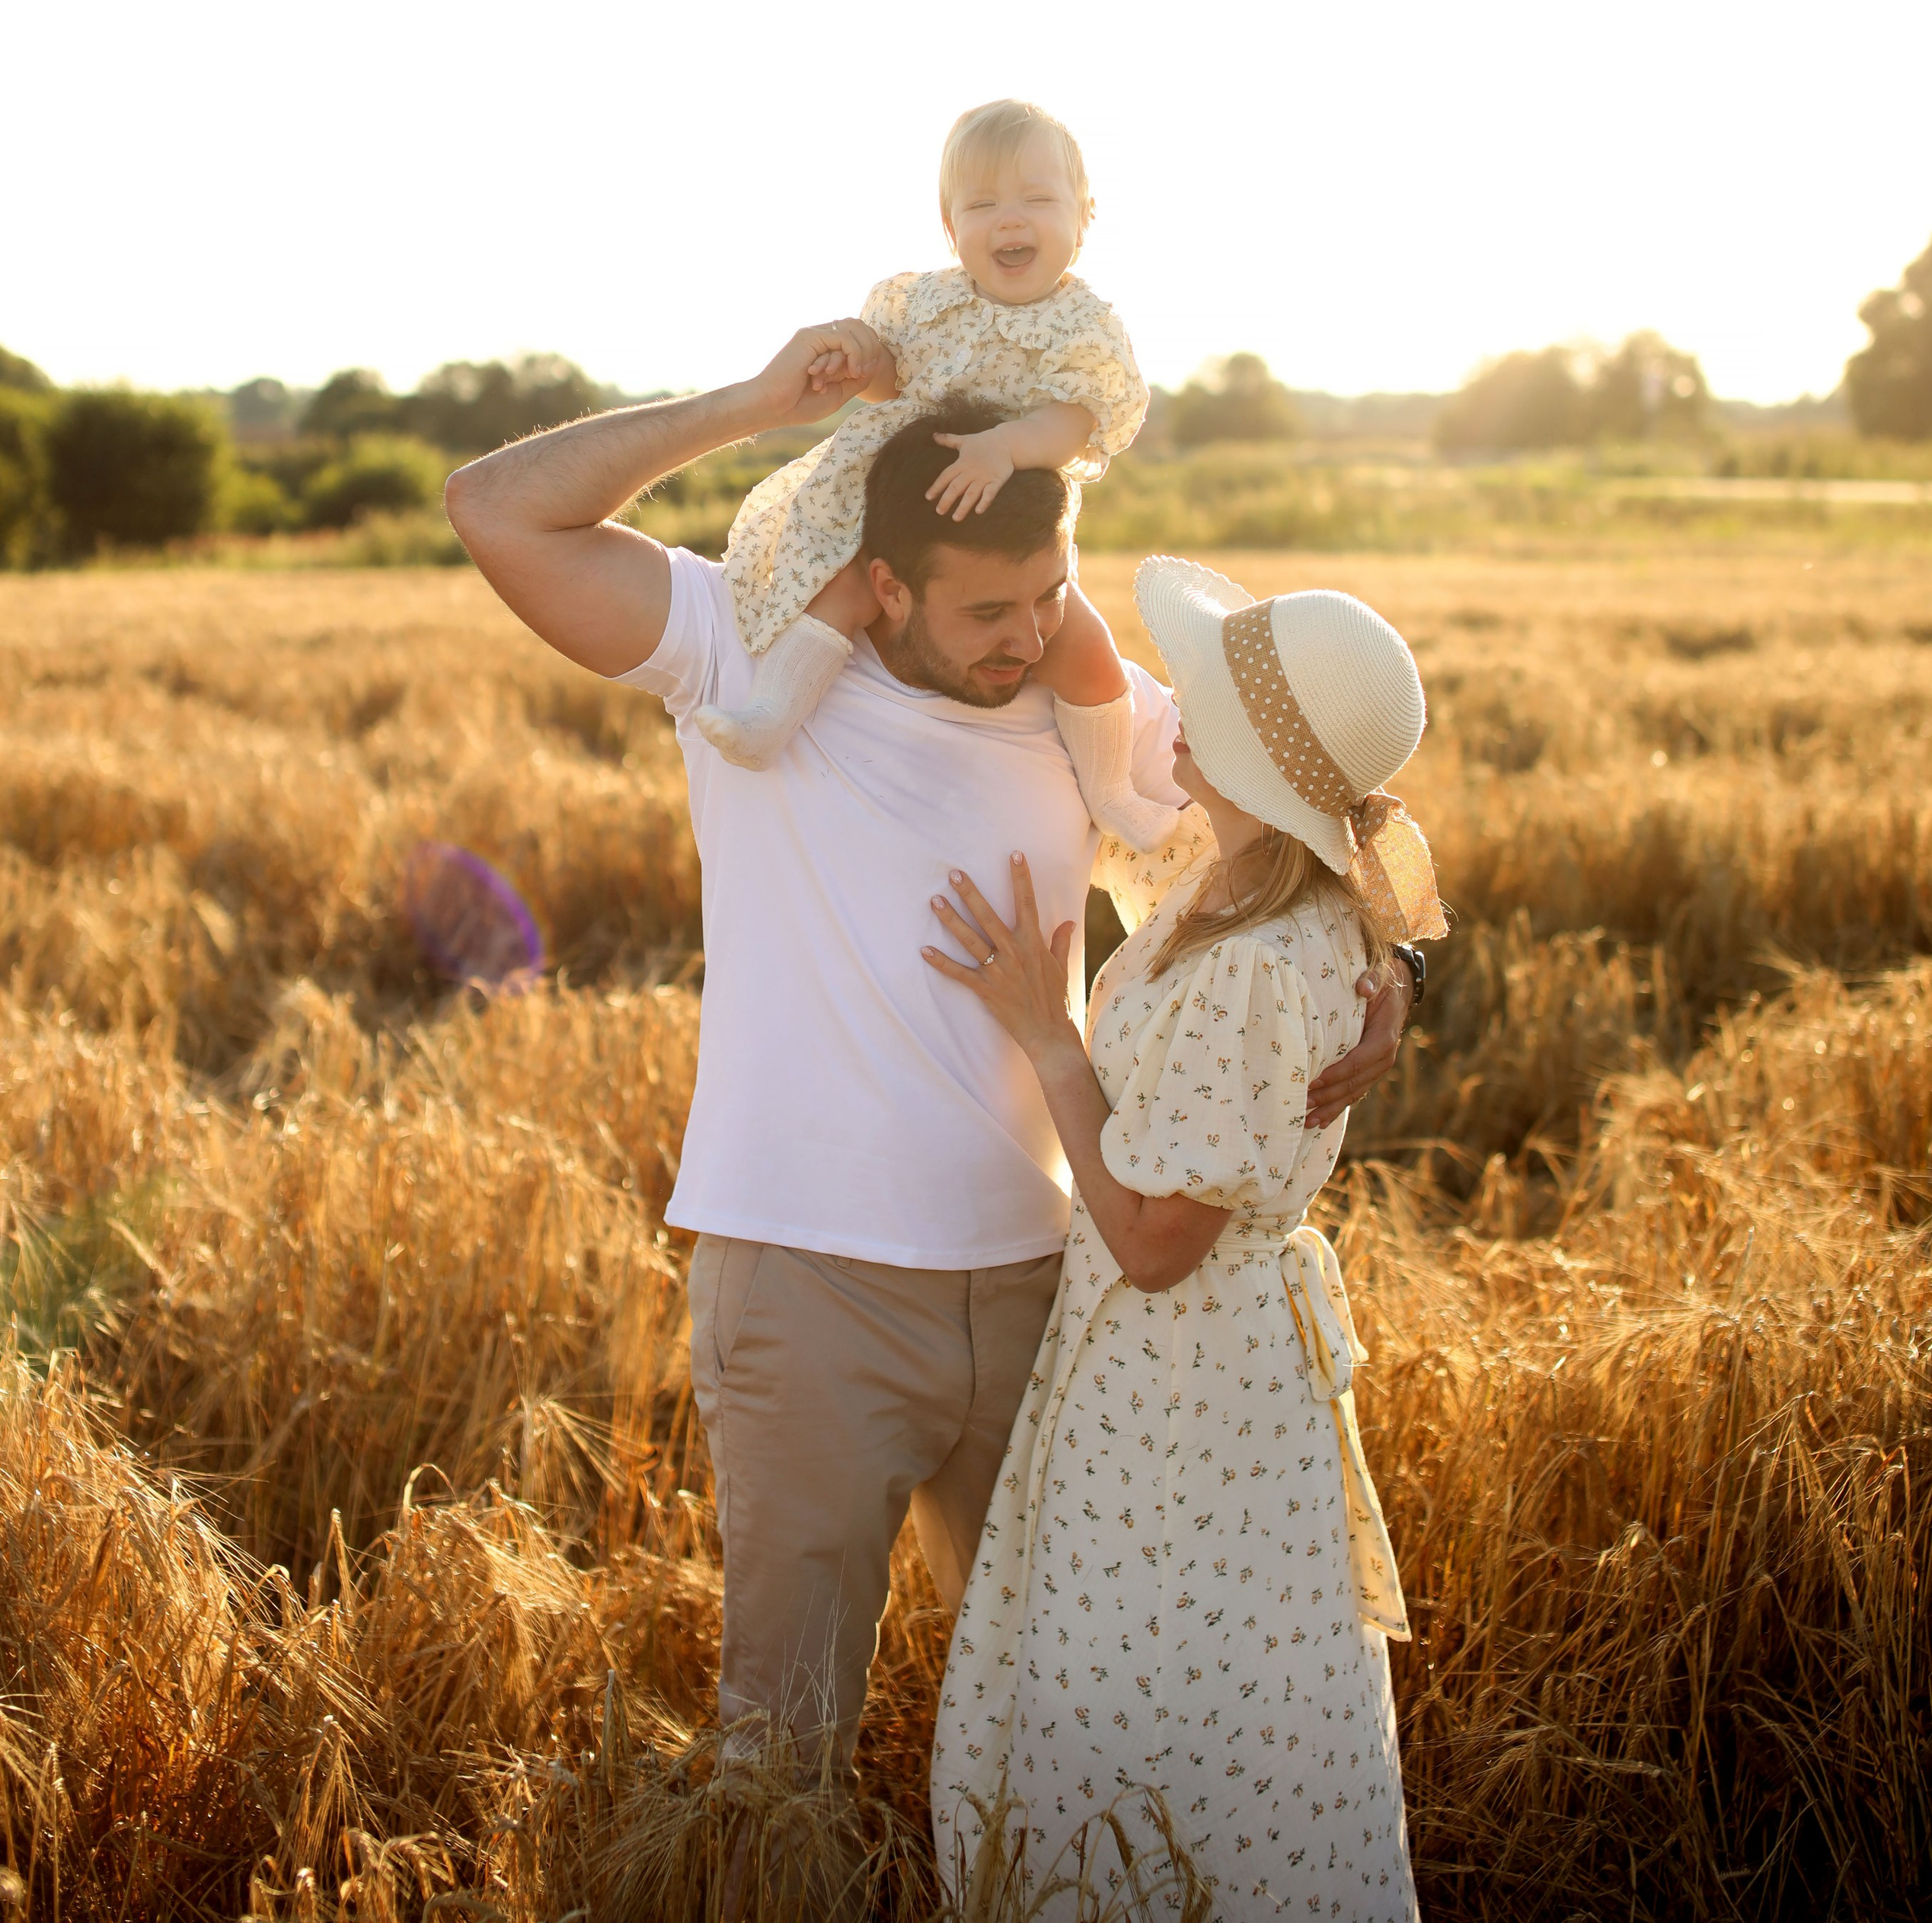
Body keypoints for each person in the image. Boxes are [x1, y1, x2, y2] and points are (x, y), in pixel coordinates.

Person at [445, 343, 1423, 1781]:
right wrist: (754, 407)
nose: (1026, 637)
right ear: (886, 585)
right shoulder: (743, 650)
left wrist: (1388, 974)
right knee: (784, 1745)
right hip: (810, 1281)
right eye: (987, 612)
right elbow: (496, 510)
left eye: (1050, 596)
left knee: (1056, 1727)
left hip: (1050, 1287)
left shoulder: (1076, 700)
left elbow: (1302, 817)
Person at [928, 558, 1442, 1919]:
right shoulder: (1234, 877)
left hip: (1184, 1386)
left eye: (1208, 695)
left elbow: (1159, 1246)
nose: (1178, 702)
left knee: (1157, 1700)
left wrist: (1050, 1041)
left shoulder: (1259, 962)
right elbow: (1082, 647)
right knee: (1198, 1692)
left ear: (1261, 759)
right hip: (1186, 1372)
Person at [695, 96, 1177, 848]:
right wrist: (865, 365)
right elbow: (897, 381)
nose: (1009, 220)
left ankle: (1112, 791)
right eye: (982, 205)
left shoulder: (1084, 326)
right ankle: (769, 717)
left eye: (1037, 199)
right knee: (844, 589)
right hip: (904, 502)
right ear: (951, 227)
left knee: (1082, 646)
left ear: (1084, 219)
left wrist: (1007, 446)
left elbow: (1076, 419)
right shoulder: (925, 303)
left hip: (1011, 530)